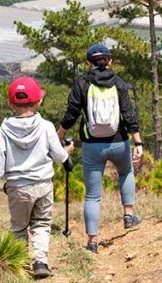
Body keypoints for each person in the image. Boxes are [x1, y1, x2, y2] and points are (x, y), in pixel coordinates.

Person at [58, 43, 144, 254]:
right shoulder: (119, 83)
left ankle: (92, 241)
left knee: (92, 196)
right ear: (110, 61)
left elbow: (72, 113)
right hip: (119, 141)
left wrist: (58, 135)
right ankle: (128, 215)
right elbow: (128, 114)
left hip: (92, 146)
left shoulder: (82, 84)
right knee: (125, 172)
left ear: (88, 63)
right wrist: (138, 142)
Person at [0, 76, 74, 279]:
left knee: (18, 228)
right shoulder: (46, 127)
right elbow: (58, 154)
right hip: (43, 184)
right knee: (42, 224)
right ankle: (40, 262)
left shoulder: (3, 132)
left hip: (17, 188)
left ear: (10, 103)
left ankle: (20, 264)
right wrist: (67, 154)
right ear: (39, 101)